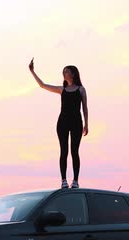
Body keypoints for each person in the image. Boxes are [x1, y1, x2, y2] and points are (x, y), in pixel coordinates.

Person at [28, 57, 89, 189]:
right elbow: (43, 85)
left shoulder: (81, 89)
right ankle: (63, 180)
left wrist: (86, 124)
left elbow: (85, 107)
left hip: (77, 122)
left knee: (74, 151)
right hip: (62, 122)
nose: (64, 73)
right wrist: (32, 71)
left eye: (66, 71)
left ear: (73, 73)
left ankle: (76, 180)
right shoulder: (62, 89)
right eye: (63, 72)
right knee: (64, 150)